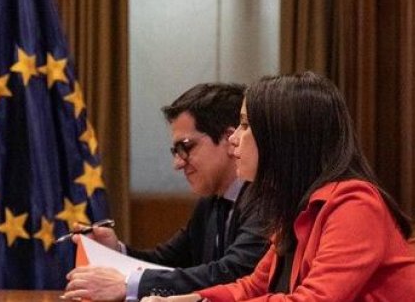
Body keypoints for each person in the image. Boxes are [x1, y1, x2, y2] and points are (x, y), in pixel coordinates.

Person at [145, 72, 415, 302]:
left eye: (244, 126)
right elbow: (253, 287)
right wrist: (193, 299)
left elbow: (314, 300)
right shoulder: (294, 208)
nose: (234, 140)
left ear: (281, 137)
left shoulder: (355, 205)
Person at [66, 83, 269, 301]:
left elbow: (232, 272)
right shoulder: (209, 202)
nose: (177, 163)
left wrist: (129, 285)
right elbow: (167, 262)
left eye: (186, 147)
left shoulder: (266, 199)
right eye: (175, 150)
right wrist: (117, 250)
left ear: (230, 139)